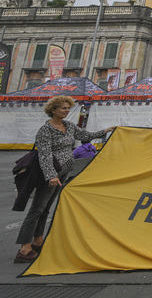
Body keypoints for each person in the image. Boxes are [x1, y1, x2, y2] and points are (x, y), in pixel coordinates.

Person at [15, 95, 115, 263]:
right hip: (50, 174)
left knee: (46, 209)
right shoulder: (45, 130)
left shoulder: (68, 126)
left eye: (68, 107)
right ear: (53, 110)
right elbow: (45, 155)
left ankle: (38, 241)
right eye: (63, 108)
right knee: (37, 209)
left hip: (63, 172)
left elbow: (86, 135)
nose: (67, 110)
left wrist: (107, 130)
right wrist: (51, 175)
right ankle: (24, 249)